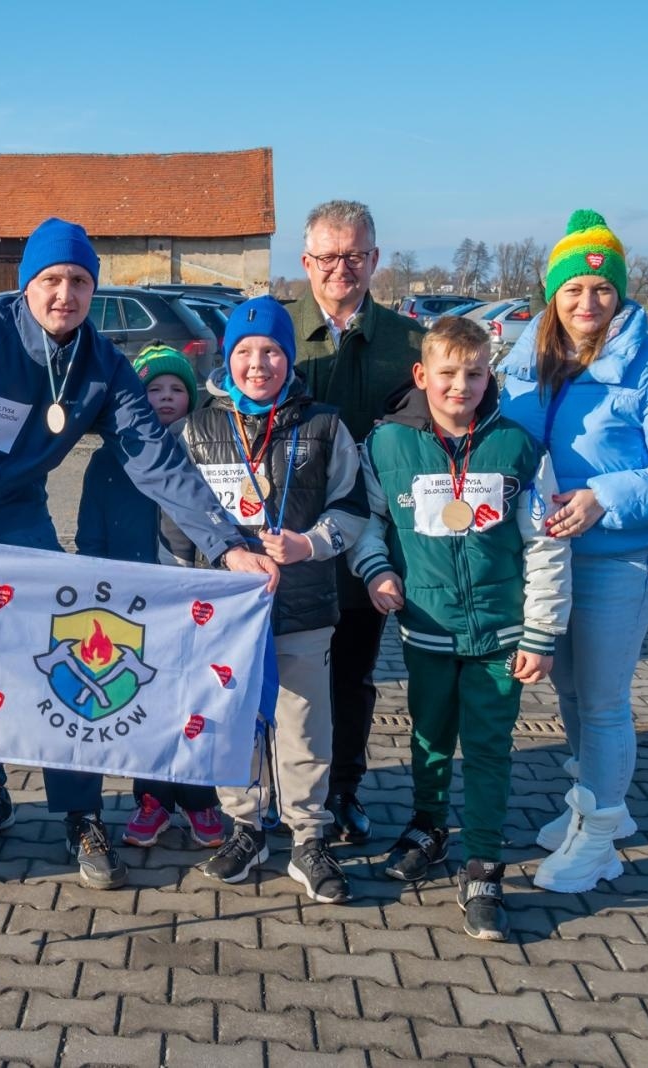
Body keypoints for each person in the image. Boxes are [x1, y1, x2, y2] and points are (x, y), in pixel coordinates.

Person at [0, 217, 279, 890]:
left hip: (17, 512)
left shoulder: (102, 363)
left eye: (78, 281)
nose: (65, 294)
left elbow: (155, 459)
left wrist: (226, 546)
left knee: (55, 653)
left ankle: (80, 812)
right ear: (27, 285)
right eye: (51, 280)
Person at [499, 210, 648, 894]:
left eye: (601, 289)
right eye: (573, 291)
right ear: (552, 295)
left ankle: (599, 839)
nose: (588, 303)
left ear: (619, 293)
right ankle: (590, 802)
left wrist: (603, 496)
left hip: (616, 560)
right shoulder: (525, 356)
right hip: (546, 560)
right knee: (566, 691)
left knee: (601, 701)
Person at [350, 316, 571, 940]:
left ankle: (482, 861)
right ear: (423, 376)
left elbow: (547, 547)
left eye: (474, 373)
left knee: (491, 749)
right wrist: (376, 573)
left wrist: (540, 632)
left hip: (502, 637)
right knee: (428, 738)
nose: (460, 385)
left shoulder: (519, 447)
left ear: (488, 376)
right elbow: (368, 525)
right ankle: (428, 826)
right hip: (425, 630)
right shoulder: (386, 445)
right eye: (447, 373)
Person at [163, 296, 368, 904]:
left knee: (303, 725)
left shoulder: (325, 425)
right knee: (233, 724)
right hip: (221, 616)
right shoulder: (195, 429)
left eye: (272, 351)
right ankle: (245, 828)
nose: (259, 364)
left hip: (301, 606)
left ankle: (309, 835)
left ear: (289, 358)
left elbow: (352, 508)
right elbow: (176, 519)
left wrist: (310, 544)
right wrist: (186, 589)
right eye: (246, 352)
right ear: (228, 359)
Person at [288, 200, 426, 845]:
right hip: (283, 545)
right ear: (305, 260)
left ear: (374, 259)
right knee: (281, 676)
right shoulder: (270, 333)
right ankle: (270, 792)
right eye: (327, 256)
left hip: (367, 544)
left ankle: (343, 789)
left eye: (354, 256)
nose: (340, 268)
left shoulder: (409, 344)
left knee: (350, 675)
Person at [74, 344, 226, 850]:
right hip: (130, 606)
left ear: (192, 398)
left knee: (194, 700)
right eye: (153, 390)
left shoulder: (204, 457)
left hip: (191, 603)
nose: (164, 398)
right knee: (147, 703)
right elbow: (91, 535)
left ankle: (201, 799)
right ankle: (152, 797)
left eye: (176, 389)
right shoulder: (106, 462)